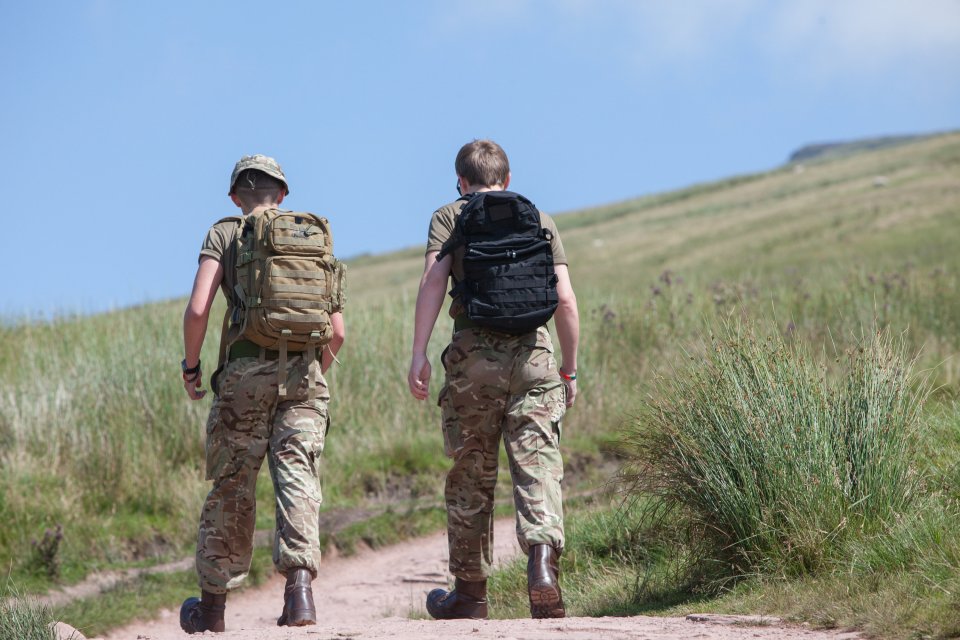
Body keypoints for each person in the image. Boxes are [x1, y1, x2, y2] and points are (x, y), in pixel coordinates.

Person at [407, 139, 579, 620]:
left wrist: (419, 353)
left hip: (473, 359)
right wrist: (568, 368)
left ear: (461, 181)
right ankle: (542, 566)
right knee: (538, 463)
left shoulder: (450, 215)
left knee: (471, 472)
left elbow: (433, 283)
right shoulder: (537, 217)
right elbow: (565, 301)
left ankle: (470, 594)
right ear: (507, 179)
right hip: (535, 356)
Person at [179, 154, 346, 633]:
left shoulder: (225, 232)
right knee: (298, 479)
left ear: (235, 196)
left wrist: (192, 367)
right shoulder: (310, 236)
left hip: (242, 376)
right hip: (305, 377)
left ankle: (211, 610)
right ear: (283, 194)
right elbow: (337, 333)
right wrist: (313, 371)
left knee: (232, 484)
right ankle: (300, 596)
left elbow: (197, 311)